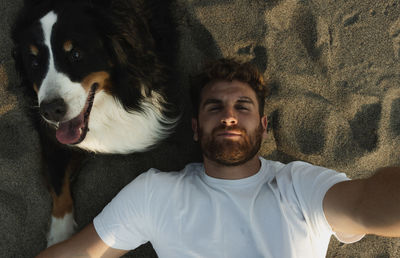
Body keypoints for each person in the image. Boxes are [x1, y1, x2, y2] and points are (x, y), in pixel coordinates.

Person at [37, 58, 400, 258]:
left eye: (242, 107)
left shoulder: (298, 186)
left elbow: (367, 203)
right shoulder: (155, 193)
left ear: (263, 126)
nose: (229, 115)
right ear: (196, 128)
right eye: (215, 107)